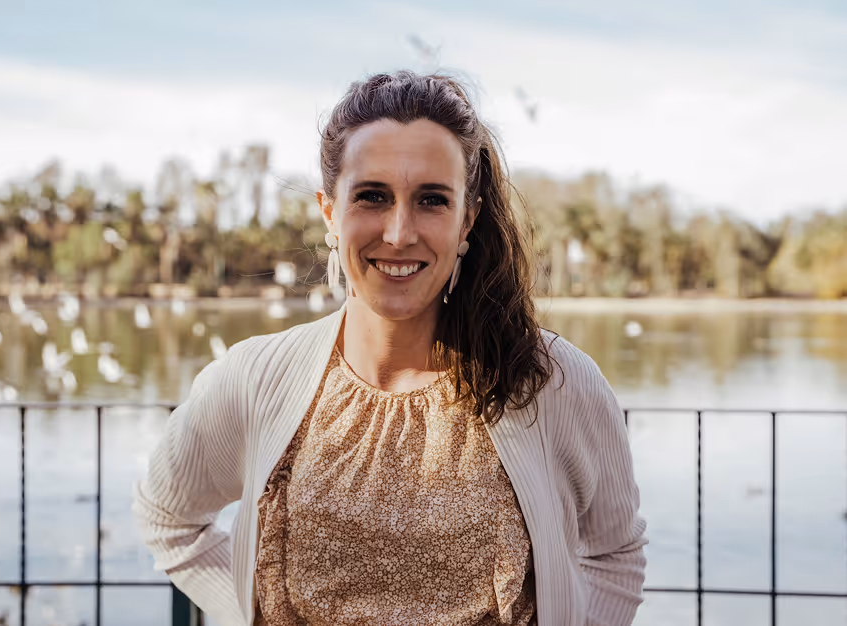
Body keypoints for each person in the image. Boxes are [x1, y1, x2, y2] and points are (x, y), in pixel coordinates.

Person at [132, 70, 648, 626]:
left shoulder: (551, 380)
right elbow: (168, 517)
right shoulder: (255, 378)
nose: (400, 233)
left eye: (432, 200)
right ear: (329, 212)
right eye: (372, 197)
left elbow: (613, 555)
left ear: (467, 219)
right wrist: (249, 612)